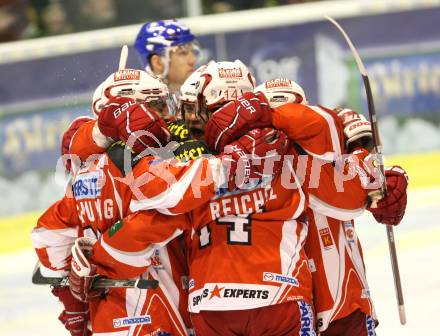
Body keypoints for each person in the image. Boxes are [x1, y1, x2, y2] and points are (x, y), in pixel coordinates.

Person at [69, 60, 318, 336]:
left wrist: (92, 267)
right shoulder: (282, 146)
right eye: (161, 106)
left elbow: (154, 209)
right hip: (271, 293)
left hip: (202, 304)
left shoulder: (186, 162)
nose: (178, 118)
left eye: (186, 108)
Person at [203, 77, 409, 335]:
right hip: (282, 298)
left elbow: (360, 184)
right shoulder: (251, 156)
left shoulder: (329, 136)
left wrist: (387, 180)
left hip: (341, 302)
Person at [134, 19, 200, 94]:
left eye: (192, 51)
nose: (192, 60)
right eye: (182, 53)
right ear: (158, 62)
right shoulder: (143, 104)